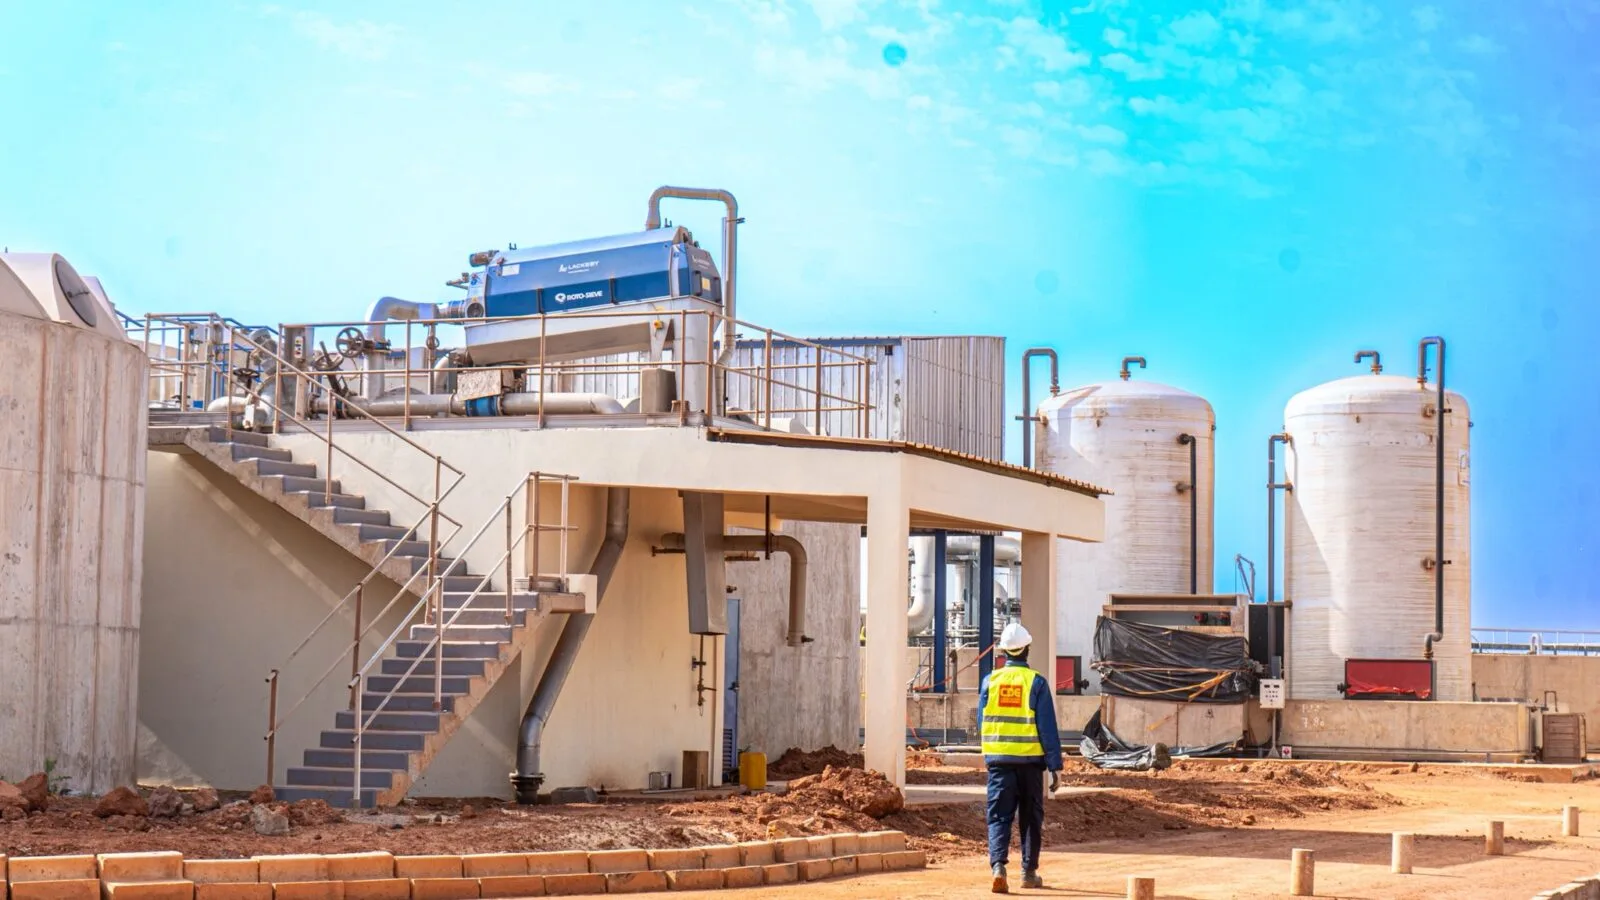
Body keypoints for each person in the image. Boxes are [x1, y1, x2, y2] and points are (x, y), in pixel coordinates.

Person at [978, 621, 1062, 893]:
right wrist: (1055, 766)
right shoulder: (1036, 682)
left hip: (999, 764)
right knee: (1030, 817)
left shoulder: (990, 681)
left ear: (1004, 652)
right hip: (1030, 765)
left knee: (999, 816)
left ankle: (998, 868)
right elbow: (1047, 728)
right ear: (1027, 649)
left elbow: (982, 720)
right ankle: (1028, 871)